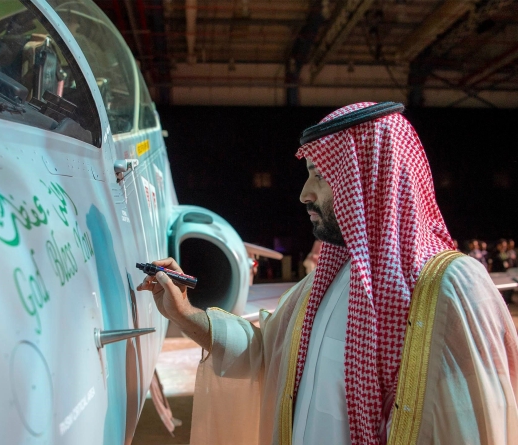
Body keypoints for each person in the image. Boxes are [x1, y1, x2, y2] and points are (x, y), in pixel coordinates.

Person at [138, 102, 518, 445]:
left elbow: (482, 426)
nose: (304, 193)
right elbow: (264, 355)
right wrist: (185, 315)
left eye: (320, 175)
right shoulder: (319, 288)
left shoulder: (455, 287)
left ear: (369, 177)